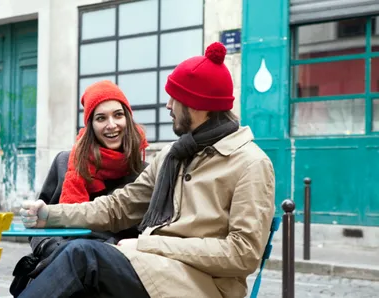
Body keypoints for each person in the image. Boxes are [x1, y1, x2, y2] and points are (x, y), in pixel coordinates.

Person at [19, 42, 275, 298]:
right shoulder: (173, 156)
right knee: (74, 258)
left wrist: (147, 245)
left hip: (204, 286)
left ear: (197, 105)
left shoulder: (250, 163)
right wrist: (50, 214)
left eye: (175, 98)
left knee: (83, 257)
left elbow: (243, 254)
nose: (168, 106)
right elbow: (117, 207)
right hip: (156, 271)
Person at [10, 80, 149, 296]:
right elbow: (37, 227)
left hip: (110, 275)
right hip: (58, 266)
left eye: (118, 115)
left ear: (128, 119)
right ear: (90, 125)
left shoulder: (145, 174)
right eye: (101, 118)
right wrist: (57, 250)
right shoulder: (65, 163)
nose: (111, 125)